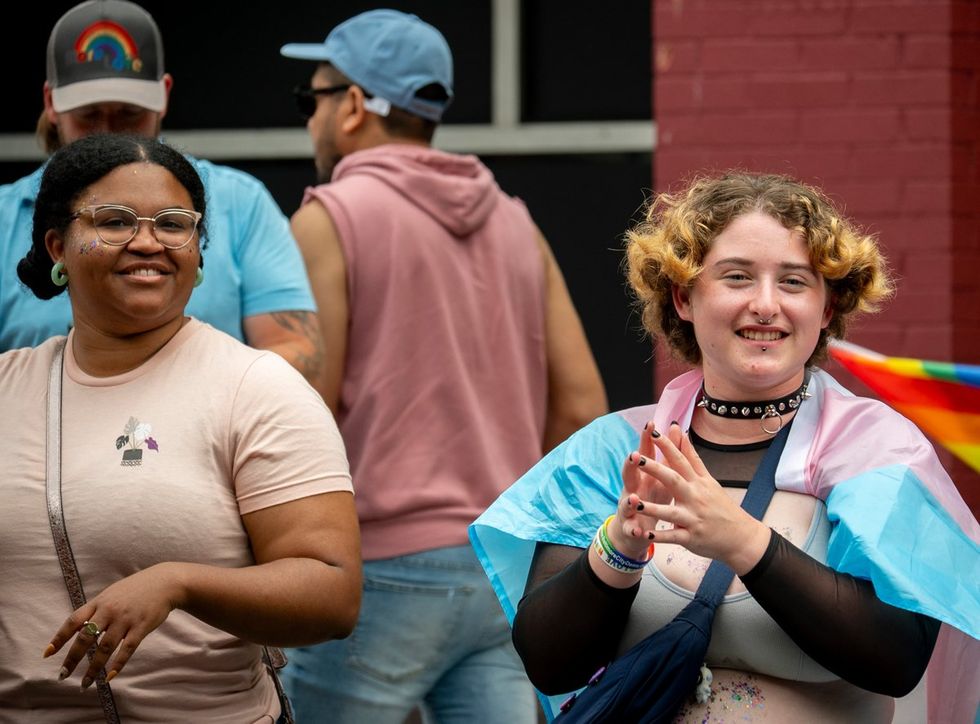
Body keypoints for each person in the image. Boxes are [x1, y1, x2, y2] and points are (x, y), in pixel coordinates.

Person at [470, 172, 980, 723]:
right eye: (736, 277)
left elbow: (898, 659)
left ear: (827, 309)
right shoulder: (614, 451)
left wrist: (742, 540)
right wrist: (619, 544)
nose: (765, 305)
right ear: (684, 297)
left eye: (793, 282)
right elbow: (548, 665)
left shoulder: (879, 453)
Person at [277, 9, 608, 723]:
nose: (309, 121)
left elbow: (301, 416)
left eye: (312, 100)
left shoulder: (328, 218)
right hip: (499, 569)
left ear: (356, 105)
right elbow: (582, 410)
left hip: (378, 568)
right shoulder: (517, 222)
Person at [0, 132, 362, 722]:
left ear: (198, 250)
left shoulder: (256, 387)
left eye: (173, 224)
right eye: (114, 222)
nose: (147, 242)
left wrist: (179, 583)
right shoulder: (7, 389)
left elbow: (333, 594)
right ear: (57, 245)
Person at [0, 0, 325, 395]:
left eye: (129, 113)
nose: (110, 132)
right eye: (88, 114)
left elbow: (298, 350)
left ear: (164, 96)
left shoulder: (239, 201)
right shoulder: (4, 215)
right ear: (51, 103)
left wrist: (176, 409)